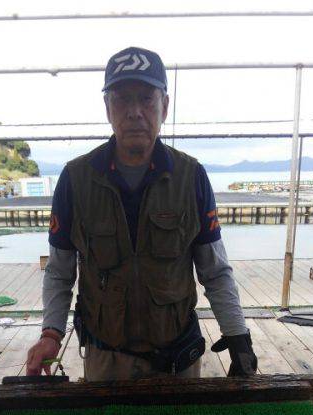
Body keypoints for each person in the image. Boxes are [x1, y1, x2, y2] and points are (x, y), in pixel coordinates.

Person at [26, 46, 257, 380]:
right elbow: (60, 272)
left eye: (147, 99)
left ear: (165, 105)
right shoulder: (75, 180)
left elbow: (215, 270)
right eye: (121, 99)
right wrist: (51, 334)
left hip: (178, 360)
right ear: (107, 107)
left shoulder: (191, 177)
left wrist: (238, 337)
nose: (134, 112)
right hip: (105, 359)